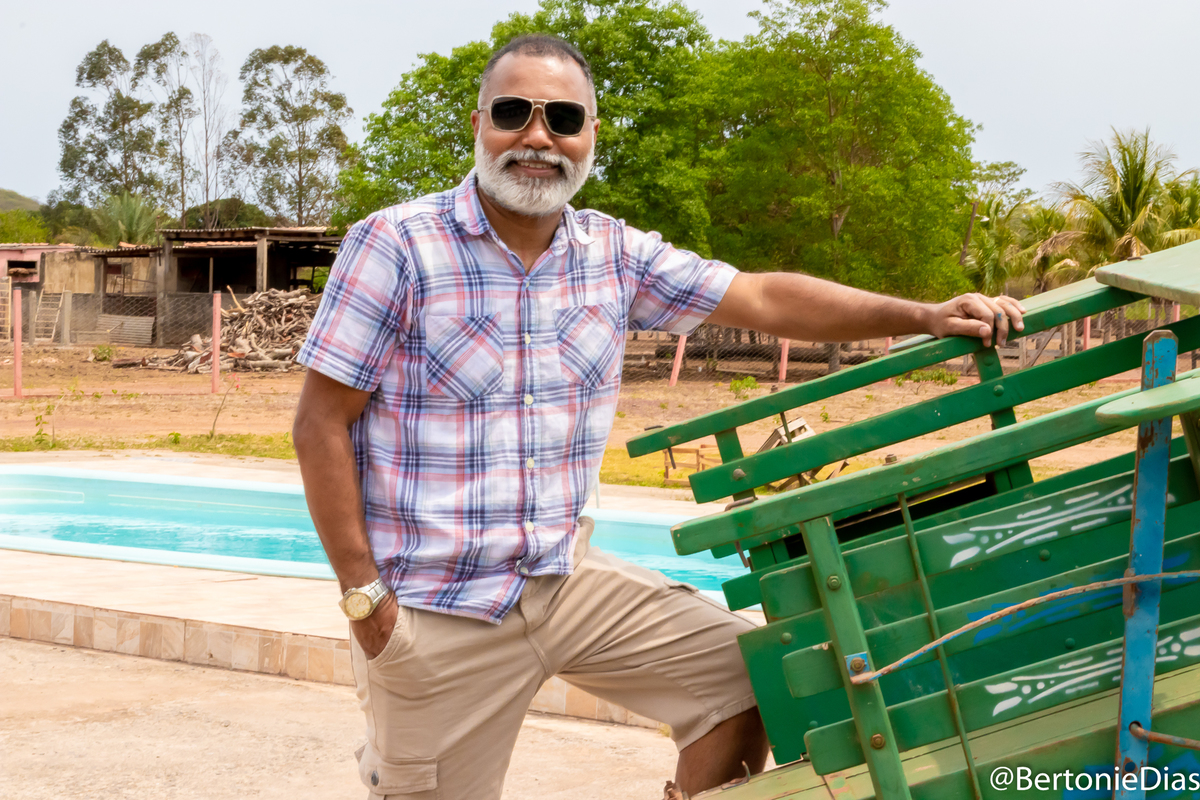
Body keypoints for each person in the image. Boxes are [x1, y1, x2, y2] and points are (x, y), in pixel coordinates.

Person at [292, 33, 1025, 800]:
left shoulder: (613, 255)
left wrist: (923, 314)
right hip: (437, 609)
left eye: (563, 119)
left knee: (752, 679)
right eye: (514, 113)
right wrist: (366, 600)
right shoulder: (397, 247)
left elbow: (764, 296)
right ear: (479, 123)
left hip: (564, 582)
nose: (538, 137)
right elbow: (319, 424)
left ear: (590, 136)